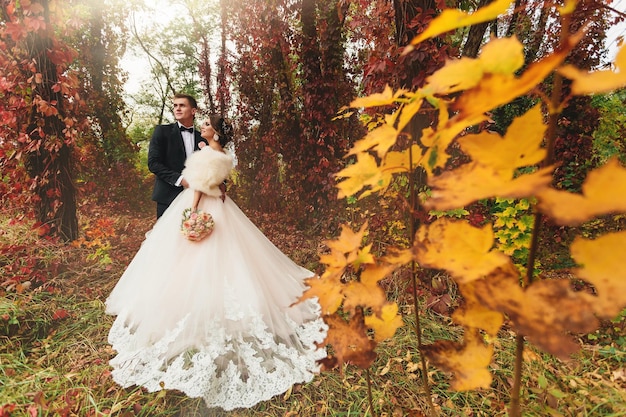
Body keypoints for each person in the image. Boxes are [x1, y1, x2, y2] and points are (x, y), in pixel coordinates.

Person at [105, 115, 328, 411]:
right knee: (231, 257)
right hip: (221, 203)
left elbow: (199, 184)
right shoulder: (222, 153)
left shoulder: (211, 152)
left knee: (195, 257)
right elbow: (220, 182)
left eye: (208, 125)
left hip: (201, 204)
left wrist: (192, 212)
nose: (204, 126)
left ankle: (189, 306)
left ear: (216, 133)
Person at [148, 93, 208, 219]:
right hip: (168, 197)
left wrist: (222, 183)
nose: (177, 108)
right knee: (167, 238)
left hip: (199, 199)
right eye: (175, 106)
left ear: (193, 111)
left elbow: (214, 163)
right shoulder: (162, 131)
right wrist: (181, 180)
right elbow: (153, 163)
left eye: (182, 105)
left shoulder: (203, 137)